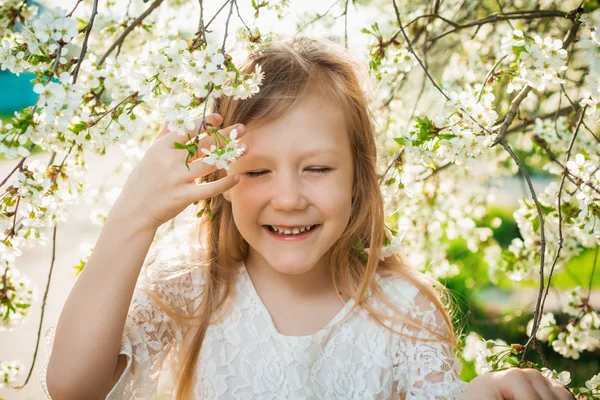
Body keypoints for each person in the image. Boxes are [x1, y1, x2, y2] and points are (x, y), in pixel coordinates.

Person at [39, 37, 573, 400]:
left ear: (358, 177)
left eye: (316, 167)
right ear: (219, 183)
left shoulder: (402, 314)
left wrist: (483, 393)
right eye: (256, 172)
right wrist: (134, 216)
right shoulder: (193, 288)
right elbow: (72, 387)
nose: (289, 198)